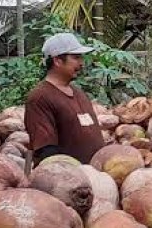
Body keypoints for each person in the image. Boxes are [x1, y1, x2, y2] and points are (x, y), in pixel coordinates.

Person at [24, 32, 105, 165]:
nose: (81, 63)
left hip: (95, 176)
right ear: (57, 61)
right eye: (76, 57)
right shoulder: (40, 98)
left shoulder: (79, 93)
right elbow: (46, 150)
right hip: (70, 179)